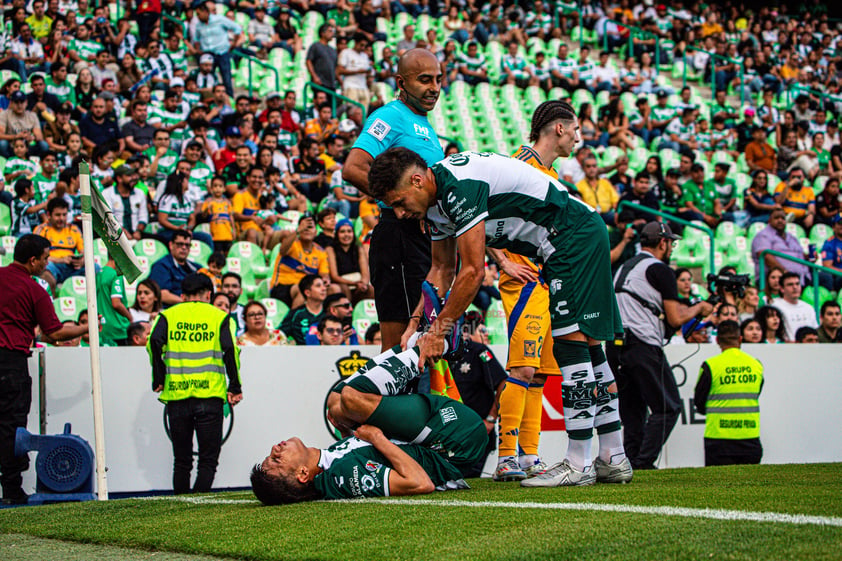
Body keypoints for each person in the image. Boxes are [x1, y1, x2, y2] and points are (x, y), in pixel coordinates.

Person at [368, 139, 630, 488]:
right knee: (592, 347)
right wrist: (416, 324)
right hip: (569, 237)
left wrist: (438, 332)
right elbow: (440, 270)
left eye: (399, 203)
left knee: (570, 346)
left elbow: (473, 272)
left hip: (570, 235)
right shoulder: (433, 209)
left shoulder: (458, 188)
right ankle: (614, 456)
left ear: (417, 181)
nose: (400, 214)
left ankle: (579, 463)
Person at [251, 333, 486, 504]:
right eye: (277, 459)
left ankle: (417, 341)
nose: (275, 449)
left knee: (337, 407)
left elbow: (362, 455)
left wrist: (348, 433)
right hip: (456, 440)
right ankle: (437, 344)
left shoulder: (331, 467)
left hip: (443, 435)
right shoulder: (340, 477)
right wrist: (376, 437)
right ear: (303, 474)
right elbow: (419, 483)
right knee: (350, 399)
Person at [487, 101, 571, 482]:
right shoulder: (519, 164)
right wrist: (503, 261)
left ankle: (530, 456)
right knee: (522, 367)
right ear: (557, 129)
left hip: (546, 282)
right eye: (574, 130)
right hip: (524, 282)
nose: (577, 137)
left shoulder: (551, 173)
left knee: (539, 374)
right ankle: (505, 456)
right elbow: (479, 211)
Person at [342, 48, 444, 351]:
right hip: (399, 238)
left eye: (438, 79)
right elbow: (354, 167)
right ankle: (388, 399)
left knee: (422, 340)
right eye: (424, 80)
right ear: (401, 82)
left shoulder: (424, 125)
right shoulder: (390, 116)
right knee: (399, 347)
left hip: (425, 239)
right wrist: (398, 203)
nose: (434, 88)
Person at [608, 221, 714, 470]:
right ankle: (644, 462)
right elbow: (676, 319)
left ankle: (630, 463)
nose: (672, 248)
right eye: (671, 243)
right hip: (643, 344)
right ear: (663, 242)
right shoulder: (660, 269)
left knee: (633, 411)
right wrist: (700, 307)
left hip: (615, 345)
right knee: (667, 407)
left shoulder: (624, 266)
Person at [0, 234, 88, 504]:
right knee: (12, 428)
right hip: (11, 364)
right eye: (46, 258)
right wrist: (88, 328)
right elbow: (55, 332)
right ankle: (12, 490)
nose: (47, 263)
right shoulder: (34, 289)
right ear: (33, 260)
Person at [147, 273, 242, 495]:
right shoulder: (220, 317)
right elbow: (231, 351)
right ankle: (199, 504)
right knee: (208, 460)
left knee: (181, 459)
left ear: (182, 295)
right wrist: (235, 386)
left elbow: (153, 342)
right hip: (209, 395)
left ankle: (181, 502)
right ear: (209, 294)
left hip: (177, 395)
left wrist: (158, 378)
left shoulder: (167, 315)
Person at [693, 320, 763, 467]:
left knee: (719, 488)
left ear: (717, 340)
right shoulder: (756, 365)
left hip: (718, 438)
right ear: (740, 339)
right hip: (749, 436)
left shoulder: (710, 366)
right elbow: (756, 393)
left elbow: (699, 402)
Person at [447, 312, 508, 478]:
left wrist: (490, 419)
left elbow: (503, 382)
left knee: (467, 479)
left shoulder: (479, 351)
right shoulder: (443, 353)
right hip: (450, 432)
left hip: (477, 431)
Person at [269, 213, 331, 308]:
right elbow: (282, 250)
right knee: (303, 289)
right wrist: (297, 231)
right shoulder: (292, 243)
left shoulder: (320, 252)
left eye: (310, 227)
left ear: (315, 232)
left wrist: (326, 280)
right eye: (303, 226)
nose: (306, 229)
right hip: (282, 286)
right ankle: (294, 321)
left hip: (308, 287)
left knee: (334, 289)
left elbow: (324, 274)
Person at [34, 197, 88, 293]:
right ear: (49, 215)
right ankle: (52, 303)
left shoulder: (74, 229)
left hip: (72, 266)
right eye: (58, 215)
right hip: (53, 265)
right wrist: (61, 260)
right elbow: (38, 257)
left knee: (95, 267)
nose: (62, 218)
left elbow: (84, 251)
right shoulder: (41, 229)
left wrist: (82, 260)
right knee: (45, 268)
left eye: (64, 215)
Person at [191, 0, 243, 96]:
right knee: (208, 78)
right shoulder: (198, 25)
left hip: (222, 53)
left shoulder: (219, 19)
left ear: (205, 12)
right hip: (208, 55)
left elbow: (237, 28)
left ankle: (229, 100)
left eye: (199, 14)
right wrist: (198, 50)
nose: (198, 17)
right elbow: (196, 38)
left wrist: (234, 43)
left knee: (226, 79)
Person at [751, 209, 811, 286]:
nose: (780, 220)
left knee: (824, 277)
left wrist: (808, 257)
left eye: (783, 218)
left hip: (801, 278)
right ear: (769, 220)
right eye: (776, 218)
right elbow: (765, 256)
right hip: (776, 279)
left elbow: (800, 254)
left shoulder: (792, 237)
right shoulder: (763, 235)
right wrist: (785, 272)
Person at [148, 229, 201, 307]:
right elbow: (162, 295)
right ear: (171, 245)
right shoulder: (161, 266)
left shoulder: (196, 267)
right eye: (180, 244)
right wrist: (188, 302)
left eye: (187, 245)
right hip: (169, 310)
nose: (184, 248)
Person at [770, 272, 818, 342]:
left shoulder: (808, 308)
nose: (795, 287)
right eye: (790, 285)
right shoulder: (775, 306)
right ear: (782, 289)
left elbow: (815, 330)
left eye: (797, 284)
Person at [280, 274, 326, 346]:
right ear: (307, 293)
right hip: (301, 354)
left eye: (324, 285)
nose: (324, 288)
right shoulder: (295, 314)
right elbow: (280, 334)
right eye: (318, 286)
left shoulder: (329, 313)